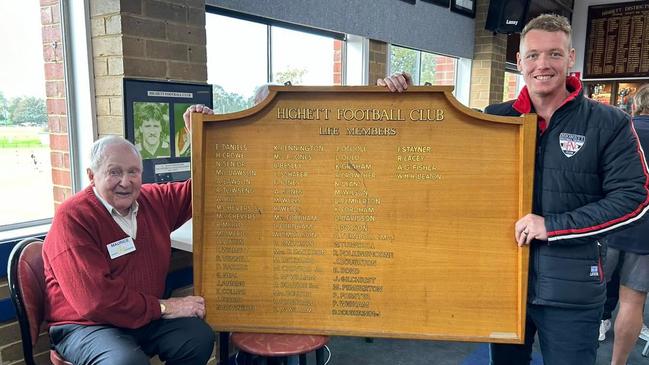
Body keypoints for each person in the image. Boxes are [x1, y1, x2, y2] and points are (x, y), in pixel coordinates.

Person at [379, 14, 649, 365]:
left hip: (571, 292)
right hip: (503, 285)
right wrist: (409, 102)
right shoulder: (496, 118)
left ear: (570, 57)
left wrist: (552, 226)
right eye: (533, 55)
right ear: (519, 61)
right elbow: (440, 158)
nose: (543, 64)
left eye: (554, 54)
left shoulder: (608, 122)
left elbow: (634, 199)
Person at [43, 105, 215, 365]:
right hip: (86, 325)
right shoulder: (73, 217)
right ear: (92, 176)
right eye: (114, 172)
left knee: (198, 337)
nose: (126, 181)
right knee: (125, 362)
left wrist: (203, 137)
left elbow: (205, 187)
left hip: (143, 316)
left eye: (133, 171)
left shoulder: (153, 201)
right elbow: (95, 302)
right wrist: (165, 307)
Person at [599, 84, 649, 365]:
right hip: (645, 233)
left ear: (635, 105)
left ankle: (578, 354)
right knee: (633, 302)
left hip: (611, 224)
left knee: (590, 294)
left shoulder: (619, 130)